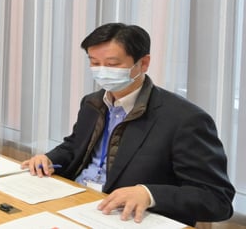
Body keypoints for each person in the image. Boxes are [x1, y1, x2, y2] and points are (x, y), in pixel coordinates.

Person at [21, 23, 234, 226]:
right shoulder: (93, 102)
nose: (102, 71)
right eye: (94, 63)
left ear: (143, 63)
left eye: (113, 64)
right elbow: (74, 146)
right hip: (76, 204)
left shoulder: (184, 119)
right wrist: (48, 158)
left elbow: (216, 199)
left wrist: (149, 194)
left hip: (125, 217)